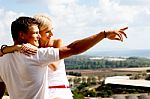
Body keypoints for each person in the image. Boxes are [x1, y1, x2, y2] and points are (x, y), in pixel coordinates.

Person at [0, 16, 128, 99]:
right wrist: (103, 34)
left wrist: (9, 49)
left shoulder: (2, 60)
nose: (39, 37)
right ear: (22, 35)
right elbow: (74, 48)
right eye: (35, 33)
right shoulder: (36, 55)